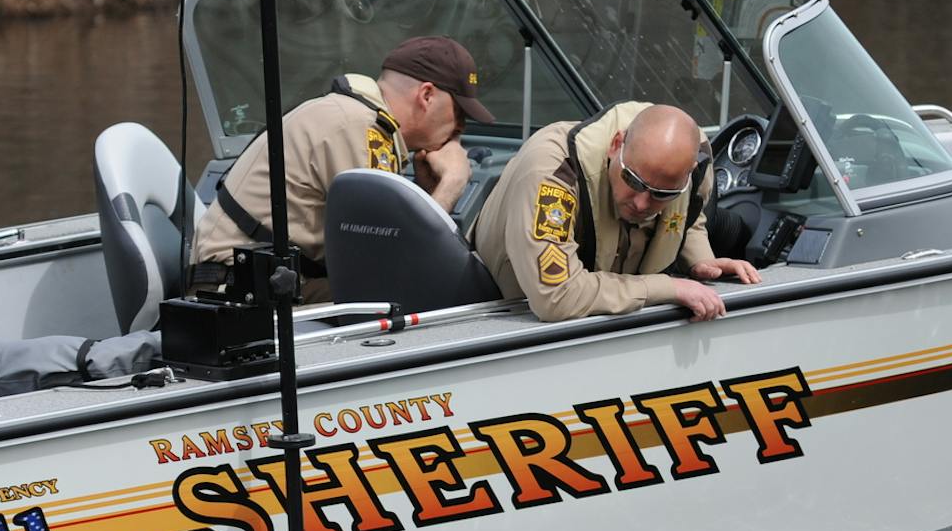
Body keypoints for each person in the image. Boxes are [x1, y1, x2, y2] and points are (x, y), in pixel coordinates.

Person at [189, 36, 495, 282]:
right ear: (427, 95)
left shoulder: (357, 118)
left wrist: (426, 193)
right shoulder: (360, 128)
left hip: (269, 277)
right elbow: (387, 267)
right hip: (238, 291)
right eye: (459, 112)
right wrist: (451, 186)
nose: (461, 128)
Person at [474, 103, 760, 321]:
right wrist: (668, 288)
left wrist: (699, 262)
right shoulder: (554, 173)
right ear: (615, 145)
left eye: (663, 194)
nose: (641, 204)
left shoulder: (695, 158)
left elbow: (690, 213)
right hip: (505, 319)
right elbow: (556, 296)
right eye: (633, 181)